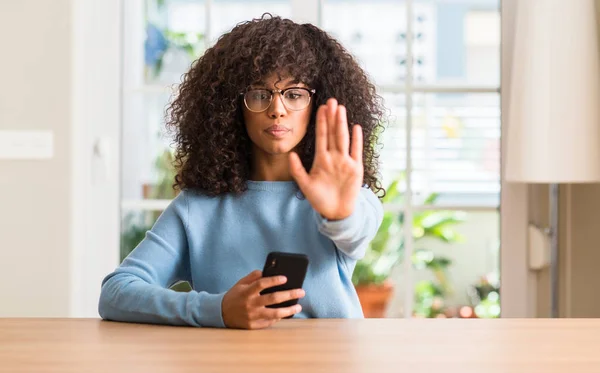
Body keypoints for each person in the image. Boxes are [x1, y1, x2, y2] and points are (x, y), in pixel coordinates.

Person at [98, 14, 385, 330]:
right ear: (231, 108)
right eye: (260, 94)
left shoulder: (343, 197)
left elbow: (355, 233)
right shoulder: (198, 207)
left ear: (316, 106)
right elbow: (116, 292)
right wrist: (217, 309)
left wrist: (340, 215)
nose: (277, 109)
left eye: (294, 94)